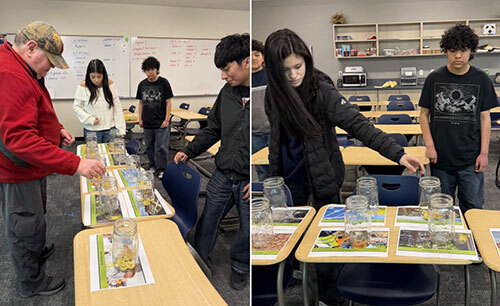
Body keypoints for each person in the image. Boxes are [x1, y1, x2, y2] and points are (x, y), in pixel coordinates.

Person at [264, 28, 425, 305]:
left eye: (298, 66)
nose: (293, 75)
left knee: (327, 243)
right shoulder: (273, 93)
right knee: (294, 240)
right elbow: (277, 137)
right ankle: (301, 282)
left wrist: (398, 154)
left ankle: (330, 296)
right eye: (285, 69)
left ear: (306, 61)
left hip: (322, 178)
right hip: (288, 181)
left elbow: (358, 125)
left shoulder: (321, 91)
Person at [0, 21, 105, 298]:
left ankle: (35, 250)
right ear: (31, 48)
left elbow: (34, 109)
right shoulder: (11, 73)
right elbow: (19, 138)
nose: (52, 68)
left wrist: (55, 129)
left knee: (36, 216)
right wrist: (76, 163)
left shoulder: (23, 68)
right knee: (24, 224)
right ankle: (30, 282)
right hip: (17, 169)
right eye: (50, 61)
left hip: (31, 166)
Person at [174, 33, 250, 290]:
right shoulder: (227, 93)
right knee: (207, 219)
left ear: (247, 62)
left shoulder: (266, 96)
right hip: (224, 172)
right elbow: (212, 129)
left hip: (250, 180)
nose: (223, 75)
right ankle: (196, 260)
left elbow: (277, 143)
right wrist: (190, 150)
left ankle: (240, 265)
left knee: (249, 230)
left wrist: (261, 177)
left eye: (227, 69)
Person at [419, 23, 498, 214]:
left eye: (463, 50)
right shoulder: (434, 78)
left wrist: (484, 153)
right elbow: (423, 115)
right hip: (441, 158)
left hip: (471, 159)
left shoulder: (481, 79)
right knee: (440, 210)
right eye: (453, 50)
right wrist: (429, 145)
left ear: (471, 51)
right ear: (446, 51)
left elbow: (485, 118)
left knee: (473, 209)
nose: (458, 55)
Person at [136, 56, 173, 178]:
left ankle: (161, 168)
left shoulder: (164, 82)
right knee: (149, 146)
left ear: (157, 69)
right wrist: (140, 118)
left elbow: (168, 102)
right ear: (144, 71)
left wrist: (167, 119)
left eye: (152, 69)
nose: (150, 72)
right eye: (147, 70)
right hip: (147, 122)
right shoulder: (141, 84)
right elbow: (141, 103)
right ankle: (152, 165)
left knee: (161, 147)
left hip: (161, 122)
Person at [73, 59, 126, 142]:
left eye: (99, 77)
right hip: (92, 131)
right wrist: (89, 119)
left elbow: (117, 108)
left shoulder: (110, 84)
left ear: (103, 75)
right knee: (94, 154)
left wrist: (121, 128)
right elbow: (76, 107)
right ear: (88, 75)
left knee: (111, 154)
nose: (96, 80)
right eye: (93, 77)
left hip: (110, 129)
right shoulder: (83, 86)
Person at [251, 39, 270, 181]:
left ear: (263, 57)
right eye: (249, 55)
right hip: (253, 134)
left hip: (274, 131)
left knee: (279, 167)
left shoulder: (272, 76)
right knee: (262, 170)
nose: (253, 58)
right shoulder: (244, 79)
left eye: (257, 54)